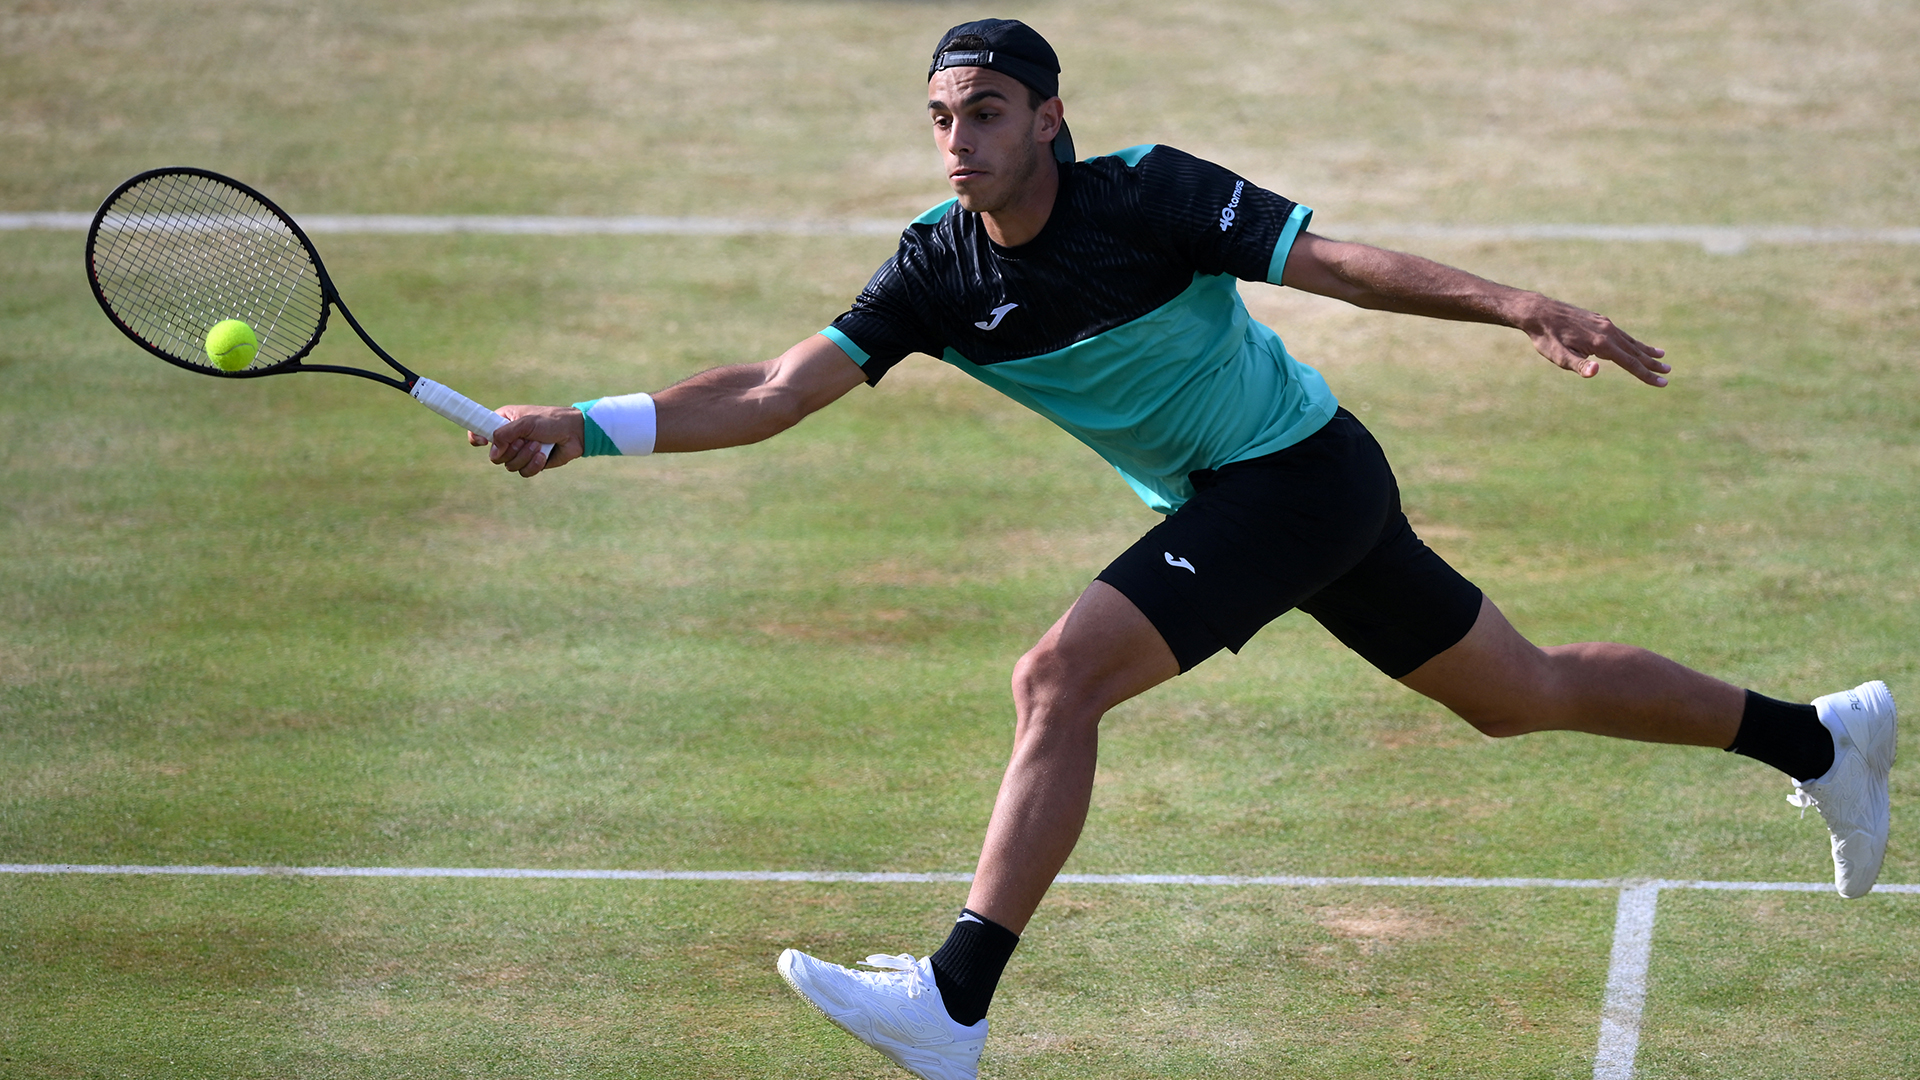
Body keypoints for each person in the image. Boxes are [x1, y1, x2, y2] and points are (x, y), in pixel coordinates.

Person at [473, 19, 1897, 1080]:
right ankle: (1820, 738)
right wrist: (585, 427)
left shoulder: (1150, 193)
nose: (959, 139)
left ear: (1050, 118)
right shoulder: (936, 266)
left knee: (1059, 677)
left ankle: (954, 1000)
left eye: (986, 112)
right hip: (1275, 492)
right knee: (1520, 693)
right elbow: (780, 390)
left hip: (1294, 477)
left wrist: (1518, 303)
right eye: (941, 118)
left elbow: (1334, 266)